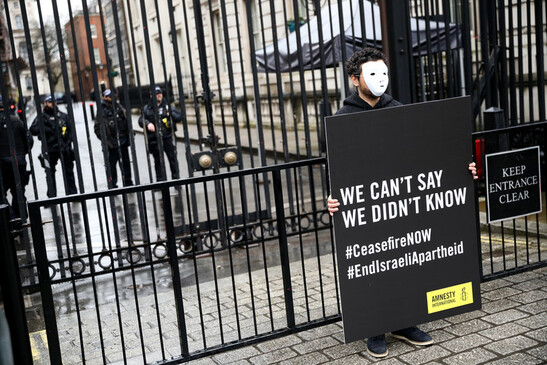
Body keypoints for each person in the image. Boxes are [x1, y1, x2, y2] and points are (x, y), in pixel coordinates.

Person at [326, 47, 478, 358]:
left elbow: (424, 153)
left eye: (384, 73)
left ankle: (405, 322)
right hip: (369, 206)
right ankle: (375, 326)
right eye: (372, 74)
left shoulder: (399, 109)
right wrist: (330, 198)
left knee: (405, 259)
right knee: (375, 263)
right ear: (355, 79)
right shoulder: (342, 120)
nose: (380, 79)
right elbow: (336, 170)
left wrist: (461, 170)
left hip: (402, 202)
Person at [30, 95, 77, 198]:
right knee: (50, 174)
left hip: (64, 148)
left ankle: (73, 194)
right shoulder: (41, 117)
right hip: (49, 149)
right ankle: (52, 197)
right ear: (45, 103)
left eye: (54, 101)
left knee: (69, 172)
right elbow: (32, 130)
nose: (52, 104)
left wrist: (68, 143)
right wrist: (45, 129)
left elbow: (71, 131)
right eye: (50, 102)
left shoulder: (63, 116)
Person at [138, 86, 182, 181]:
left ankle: (176, 179)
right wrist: (147, 123)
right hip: (155, 139)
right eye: (156, 94)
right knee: (158, 161)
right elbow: (140, 120)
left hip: (168, 137)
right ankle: (160, 181)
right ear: (151, 96)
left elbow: (179, 117)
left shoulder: (168, 106)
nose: (158, 96)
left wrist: (171, 114)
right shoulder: (147, 108)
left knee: (172, 159)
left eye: (160, 94)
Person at [94, 89, 133, 188]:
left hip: (123, 140)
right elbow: (97, 128)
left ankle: (128, 182)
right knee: (111, 166)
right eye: (109, 96)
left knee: (125, 163)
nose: (112, 97)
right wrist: (106, 140)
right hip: (111, 144)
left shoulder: (119, 106)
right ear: (105, 97)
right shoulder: (102, 110)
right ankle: (112, 184)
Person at [0, 96, 31, 218]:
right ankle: (20, 219)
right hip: (19, 162)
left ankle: (10, 219)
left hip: (3, 165)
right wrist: (22, 154)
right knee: (19, 192)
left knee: (2, 195)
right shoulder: (17, 121)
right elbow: (28, 141)